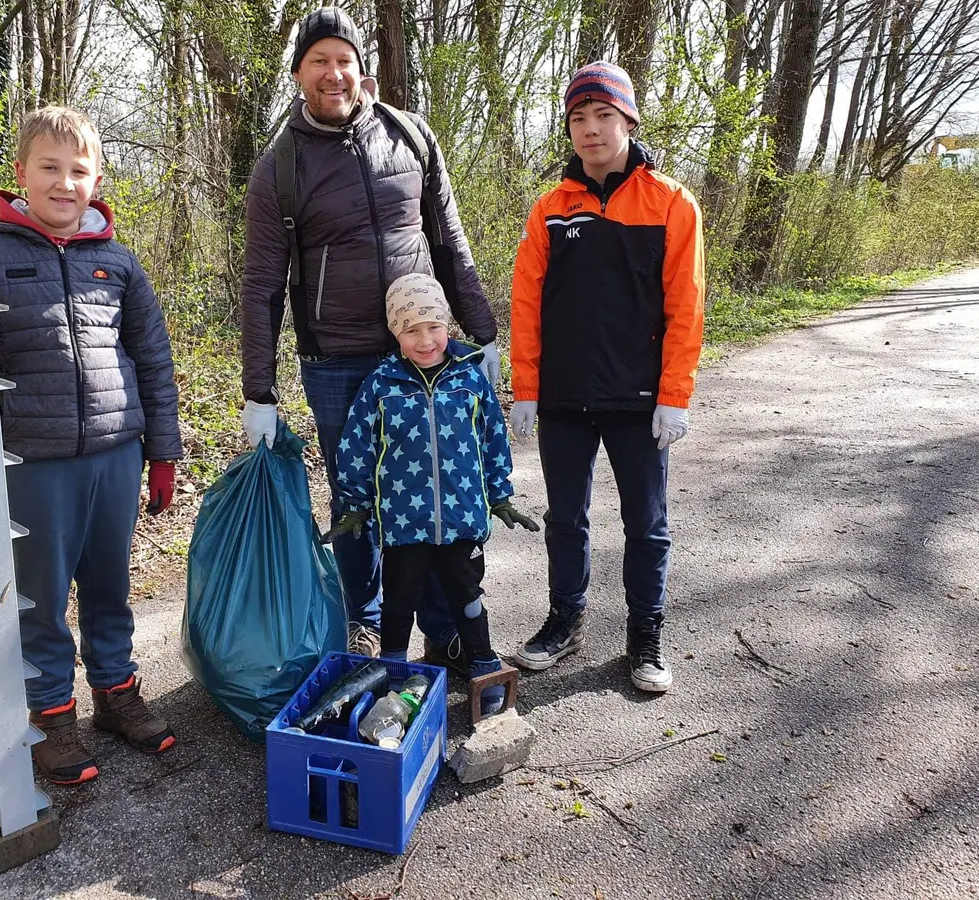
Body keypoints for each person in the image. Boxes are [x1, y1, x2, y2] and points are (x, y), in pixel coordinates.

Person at [0, 106, 182, 784]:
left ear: (97, 179)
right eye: (49, 169)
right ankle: (52, 716)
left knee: (111, 586)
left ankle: (117, 694)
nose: (63, 182)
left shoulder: (119, 264)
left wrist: (162, 452)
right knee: (41, 595)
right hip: (33, 461)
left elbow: (154, 360)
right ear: (20, 175)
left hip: (115, 453)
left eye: (77, 171)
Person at [239, 6, 502, 665]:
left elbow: (451, 245)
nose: (334, 73)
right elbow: (263, 283)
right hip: (336, 359)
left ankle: (443, 635)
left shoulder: (411, 137)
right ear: (298, 72)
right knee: (356, 494)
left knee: (436, 492)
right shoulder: (280, 169)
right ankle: (366, 620)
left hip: (426, 351)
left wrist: (485, 335)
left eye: (344, 59)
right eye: (318, 61)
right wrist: (258, 390)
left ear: (362, 67)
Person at [508, 62, 705, 693]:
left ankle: (645, 635)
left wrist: (674, 396)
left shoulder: (671, 203)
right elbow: (526, 305)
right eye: (578, 119)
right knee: (566, 518)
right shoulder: (550, 210)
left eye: (603, 117)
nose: (590, 130)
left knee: (646, 523)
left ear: (628, 120)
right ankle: (564, 617)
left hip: (639, 402)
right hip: (565, 400)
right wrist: (526, 390)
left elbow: (686, 306)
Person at [325, 274, 538, 716]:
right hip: (404, 524)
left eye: (433, 326)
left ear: (448, 325)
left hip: (462, 519)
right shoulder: (381, 384)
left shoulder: (469, 378)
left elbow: (492, 438)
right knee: (399, 599)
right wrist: (355, 504)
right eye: (410, 330)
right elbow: (356, 446)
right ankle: (393, 674)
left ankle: (483, 664)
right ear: (395, 334)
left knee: (467, 593)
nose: (425, 340)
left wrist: (499, 495)